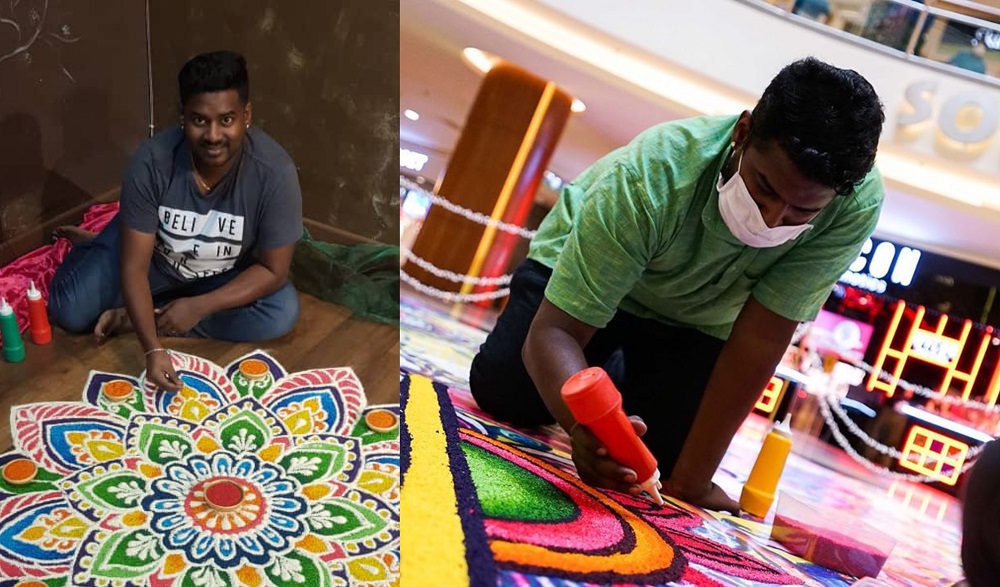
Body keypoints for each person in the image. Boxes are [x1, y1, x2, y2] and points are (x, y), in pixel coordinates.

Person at [469, 57, 885, 514]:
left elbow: (762, 336)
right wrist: (583, 426)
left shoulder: (854, 205)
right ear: (742, 134)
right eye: (763, 188)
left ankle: (618, 377)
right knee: (507, 395)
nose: (770, 220)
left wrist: (693, 481)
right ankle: (610, 374)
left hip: (697, 320)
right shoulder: (654, 173)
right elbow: (554, 332)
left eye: (801, 212)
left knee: (657, 463)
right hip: (581, 277)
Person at [48, 50, 303, 392]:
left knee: (281, 312)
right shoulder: (153, 161)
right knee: (70, 312)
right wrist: (152, 349)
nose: (213, 135)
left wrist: (200, 306)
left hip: (217, 275)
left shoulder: (275, 173)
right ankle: (99, 244)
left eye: (226, 120)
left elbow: (274, 270)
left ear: (247, 115)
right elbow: (135, 269)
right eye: (200, 120)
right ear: (183, 118)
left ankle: (142, 318)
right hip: (152, 257)